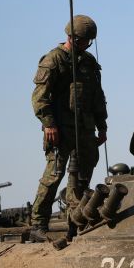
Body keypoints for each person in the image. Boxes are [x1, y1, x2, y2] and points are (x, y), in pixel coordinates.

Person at [30, 15, 108, 242]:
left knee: (81, 177)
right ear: (72, 37)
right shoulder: (54, 60)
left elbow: (97, 97)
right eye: (84, 40)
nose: (87, 44)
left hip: (85, 129)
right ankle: (38, 224)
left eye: (89, 41)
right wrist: (49, 124)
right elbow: (39, 98)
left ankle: (76, 222)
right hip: (60, 129)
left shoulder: (89, 62)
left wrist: (102, 126)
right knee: (54, 175)